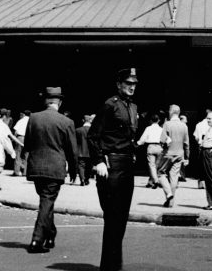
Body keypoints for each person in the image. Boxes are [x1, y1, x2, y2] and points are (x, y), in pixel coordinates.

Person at [89, 67, 139, 271]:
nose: (131, 87)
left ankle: (114, 264)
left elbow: (128, 136)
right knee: (112, 216)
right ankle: (109, 266)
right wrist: (99, 160)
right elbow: (93, 135)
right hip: (112, 165)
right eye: (128, 83)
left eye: (134, 84)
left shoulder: (133, 107)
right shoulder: (110, 105)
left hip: (127, 164)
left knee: (122, 217)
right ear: (119, 84)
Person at [24, 86, 79, 254]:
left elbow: (27, 144)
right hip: (55, 167)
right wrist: (74, 171)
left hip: (36, 167)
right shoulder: (66, 122)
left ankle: (50, 234)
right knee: (47, 202)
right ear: (59, 102)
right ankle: (37, 239)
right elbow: (72, 151)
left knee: (46, 202)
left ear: (46, 101)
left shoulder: (33, 118)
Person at [158, 104, 189, 208]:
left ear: (170, 112)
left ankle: (168, 194)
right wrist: (187, 156)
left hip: (168, 153)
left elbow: (162, 140)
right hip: (179, 154)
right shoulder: (184, 126)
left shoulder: (167, 124)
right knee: (174, 176)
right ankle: (170, 202)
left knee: (160, 173)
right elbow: (186, 143)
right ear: (179, 113)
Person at [137, 112, 165, 189]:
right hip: (159, 147)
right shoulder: (161, 129)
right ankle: (150, 182)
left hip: (151, 147)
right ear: (159, 120)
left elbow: (143, 139)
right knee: (156, 166)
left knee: (151, 166)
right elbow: (167, 139)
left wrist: (138, 144)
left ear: (151, 121)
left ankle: (155, 181)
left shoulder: (148, 128)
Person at [13, 109, 30, 176]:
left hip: (20, 137)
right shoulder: (31, 121)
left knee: (18, 154)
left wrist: (14, 138)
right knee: (26, 155)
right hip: (28, 138)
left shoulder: (21, 120)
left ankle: (17, 171)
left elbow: (16, 131)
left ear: (24, 114)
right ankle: (25, 172)